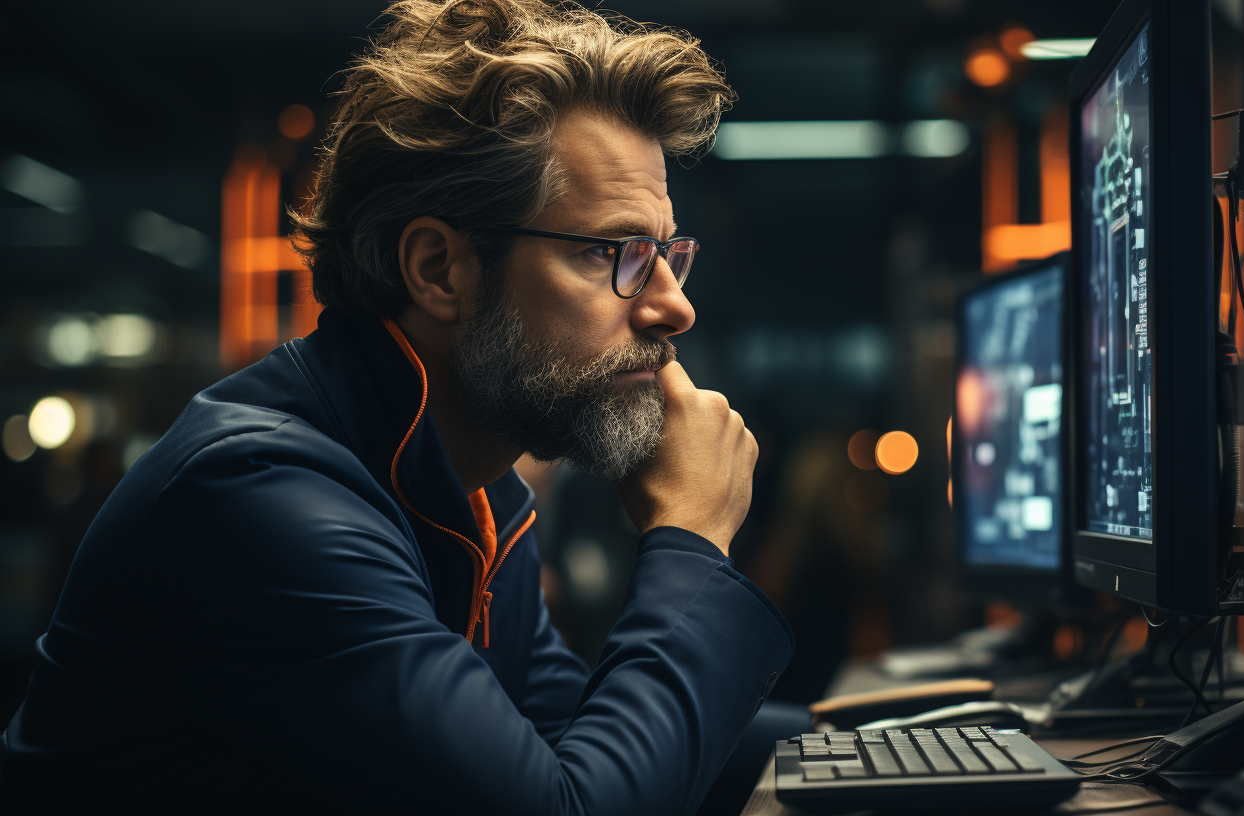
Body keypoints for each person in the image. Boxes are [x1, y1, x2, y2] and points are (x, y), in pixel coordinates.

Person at [0, 1, 797, 811]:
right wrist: (691, 542)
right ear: (439, 269)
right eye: (609, 252)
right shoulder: (259, 498)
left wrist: (895, 743)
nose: (673, 306)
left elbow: (581, 745)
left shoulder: (473, 496)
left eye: (668, 255)